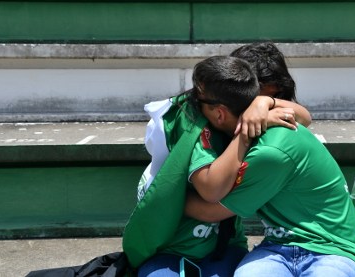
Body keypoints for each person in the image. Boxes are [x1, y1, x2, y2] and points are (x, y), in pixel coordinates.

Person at [128, 45, 311, 276]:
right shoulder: (195, 119)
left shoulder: (253, 115)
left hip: (223, 244)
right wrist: (165, 198)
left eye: (276, 98)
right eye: (257, 97)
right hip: (173, 246)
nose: (261, 108)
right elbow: (210, 193)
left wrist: (263, 105)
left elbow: (304, 117)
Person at [185, 55, 355, 276]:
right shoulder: (255, 135)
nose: (193, 106)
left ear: (219, 113)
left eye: (198, 101)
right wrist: (263, 103)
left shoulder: (269, 153)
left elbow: (209, 209)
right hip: (276, 247)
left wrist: (162, 197)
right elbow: (304, 115)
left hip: (334, 249)